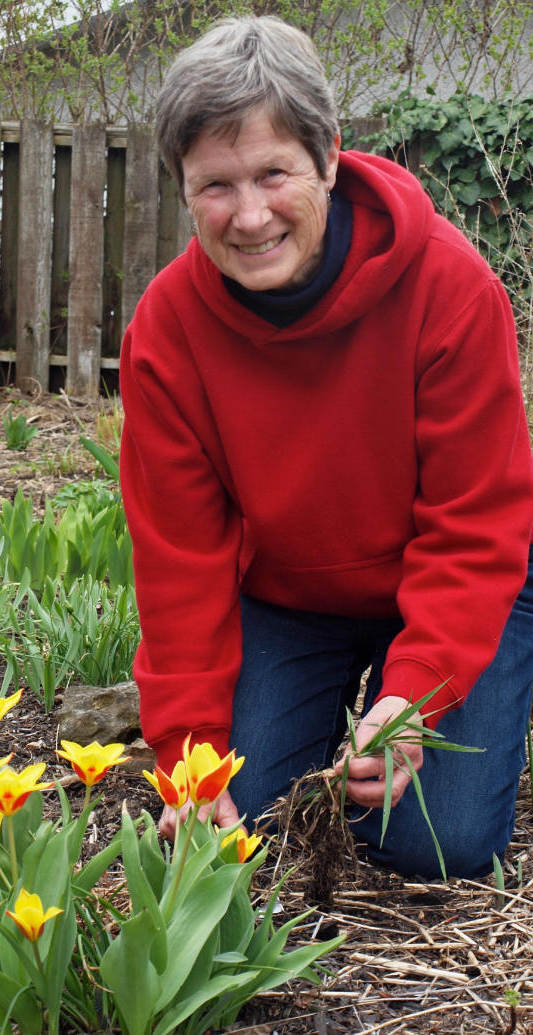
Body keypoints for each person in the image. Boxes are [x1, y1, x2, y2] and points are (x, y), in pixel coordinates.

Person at [119, 14, 533, 879]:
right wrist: (188, 750)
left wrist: (413, 690)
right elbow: (180, 560)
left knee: (434, 845)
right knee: (245, 831)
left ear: (331, 157)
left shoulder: (449, 290)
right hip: (291, 592)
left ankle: (476, 686)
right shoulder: (167, 330)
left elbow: (476, 520)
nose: (250, 214)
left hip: (452, 574)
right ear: (181, 187)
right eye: (215, 186)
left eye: (275, 173)